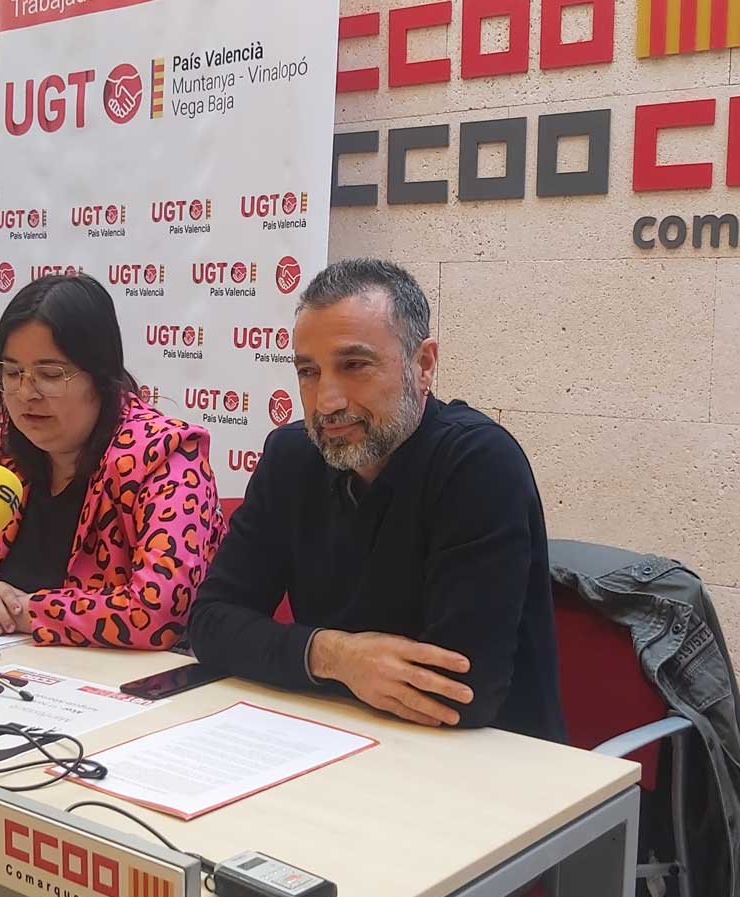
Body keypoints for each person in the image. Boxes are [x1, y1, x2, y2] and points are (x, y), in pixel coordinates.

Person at [189, 257, 563, 738]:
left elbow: (457, 693)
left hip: (490, 766)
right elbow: (211, 623)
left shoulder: (477, 462)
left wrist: (289, 656)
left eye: (354, 366)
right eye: (309, 372)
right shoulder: (291, 456)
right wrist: (336, 656)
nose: (327, 400)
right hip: (330, 738)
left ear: (423, 365)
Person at [0, 273, 223, 650]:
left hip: (112, 688)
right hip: (0, 664)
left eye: (50, 375)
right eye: (12, 373)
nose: (25, 394)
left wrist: (19, 610)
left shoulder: (165, 454)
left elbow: (159, 609)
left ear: (101, 377)